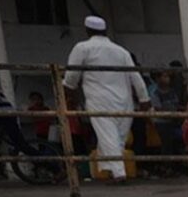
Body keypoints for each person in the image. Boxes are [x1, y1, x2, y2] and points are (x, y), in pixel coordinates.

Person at [62, 15, 151, 183]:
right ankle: (111, 171)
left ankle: (119, 174)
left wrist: (68, 92)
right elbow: (135, 76)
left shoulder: (82, 48)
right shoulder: (121, 51)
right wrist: (144, 99)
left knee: (108, 136)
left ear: (87, 30)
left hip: (100, 99)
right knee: (115, 138)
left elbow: (71, 77)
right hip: (124, 101)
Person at [148, 70, 183, 157]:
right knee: (167, 143)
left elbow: (176, 105)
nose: (167, 79)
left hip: (173, 120)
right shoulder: (155, 93)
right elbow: (158, 108)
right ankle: (166, 166)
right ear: (158, 78)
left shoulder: (172, 92)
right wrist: (171, 114)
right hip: (162, 122)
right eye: (164, 76)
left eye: (168, 76)